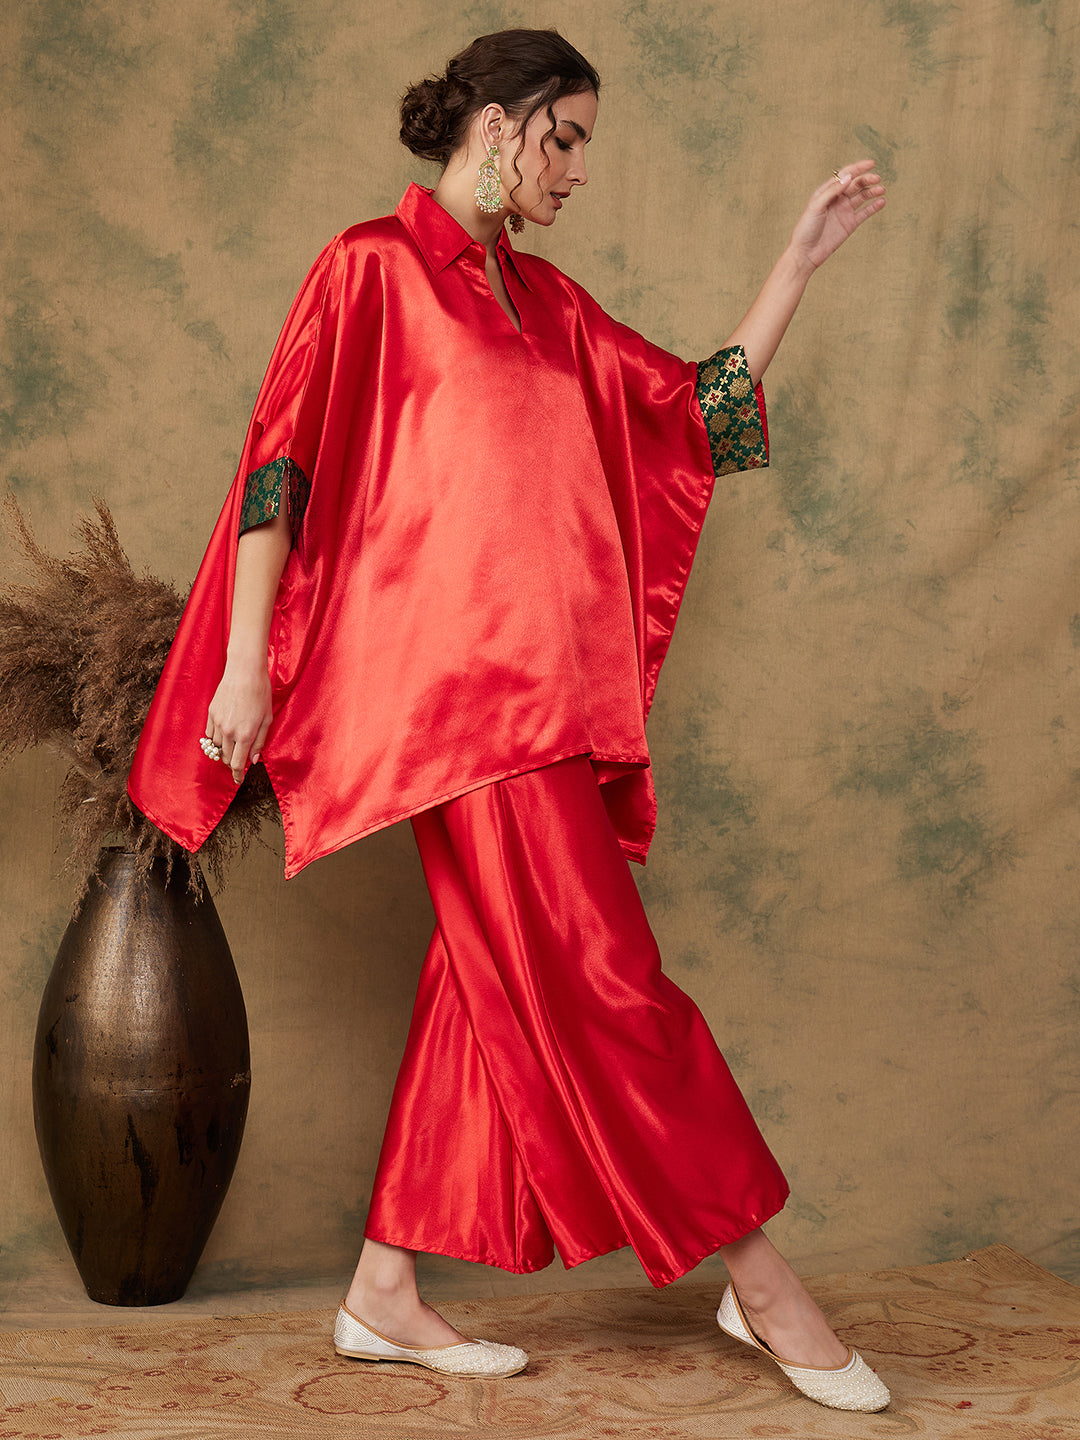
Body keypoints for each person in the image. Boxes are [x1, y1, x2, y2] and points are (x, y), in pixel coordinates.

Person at [129, 29, 887, 1413]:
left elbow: (691, 416)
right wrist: (245, 667)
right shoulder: (370, 269)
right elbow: (277, 468)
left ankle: (383, 1292)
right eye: (568, 138)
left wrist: (798, 261)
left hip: (554, 710)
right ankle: (762, 1281)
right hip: (456, 717)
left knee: (485, 981)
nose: (580, 170)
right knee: (606, 976)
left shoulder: (549, 302)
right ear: (499, 122)